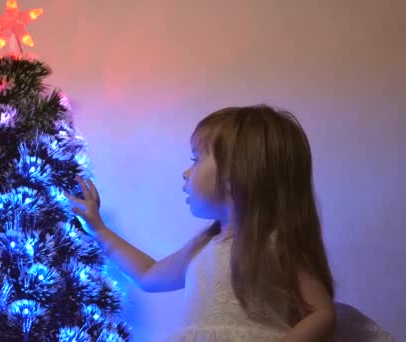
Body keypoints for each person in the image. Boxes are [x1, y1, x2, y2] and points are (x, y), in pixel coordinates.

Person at [66, 104, 338, 341]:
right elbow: (148, 274)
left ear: (236, 175)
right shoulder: (204, 246)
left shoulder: (275, 244)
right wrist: (100, 230)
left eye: (196, 160)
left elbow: (321, 312)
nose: (186, 173)